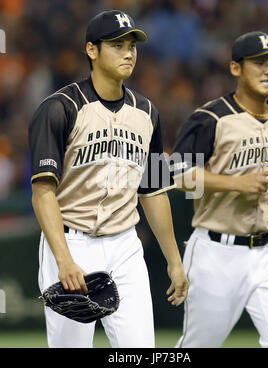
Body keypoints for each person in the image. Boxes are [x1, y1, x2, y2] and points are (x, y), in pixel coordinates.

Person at [29, 10, 188, 348]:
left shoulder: (147, 112)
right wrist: (64, 259)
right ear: (91, 50)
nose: (129, 52)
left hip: (126, 245)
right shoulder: (59, 108)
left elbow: (155, 191)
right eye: (117, 44)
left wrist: (175, 260)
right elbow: (43, 192)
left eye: (132, 45)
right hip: (72, 241)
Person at [170, 31, 268, 348]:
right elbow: (176, 173)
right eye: (258, 63)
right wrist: (236, 183)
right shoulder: (210, 117)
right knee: (199, 345)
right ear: (235, 68)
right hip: (217, 251)